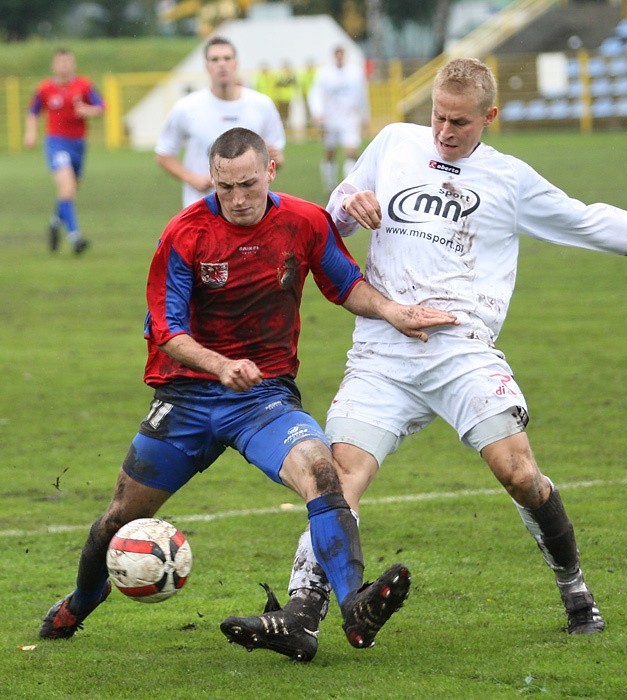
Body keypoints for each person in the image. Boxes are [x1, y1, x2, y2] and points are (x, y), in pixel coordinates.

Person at [230, 57, 627, 662]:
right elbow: (329, 217)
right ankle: (302, 617)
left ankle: (574, 589)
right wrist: (351, 206)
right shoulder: (393, 143)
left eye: (460, 123)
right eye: (438, 117)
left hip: (461, 350)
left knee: (518, 472)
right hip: (383, 348)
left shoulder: (509, 180)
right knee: (338, 480)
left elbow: (589, 221)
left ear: (489, 117)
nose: (444, 132)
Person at [38, 127, 458, 658]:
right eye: (224, 187)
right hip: (188, 399)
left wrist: (392, 311)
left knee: (322, 472)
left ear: (271, 171)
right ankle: (79, 601)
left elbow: (346, 284)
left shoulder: (305, 222)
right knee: (119, 517)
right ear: (212, 180)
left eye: (248, 185)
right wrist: (220, 365)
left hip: (264, 399)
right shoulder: (184, 234)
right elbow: (166, 331)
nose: (237, 199)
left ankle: (357, 604)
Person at [155, 37, 286, 209]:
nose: (221, 64)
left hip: (249, 209)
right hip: (202, 206)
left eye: (227, 58)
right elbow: (164, 154)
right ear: (207, 66)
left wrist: (275, 159)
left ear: (236, 63)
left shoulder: (262, 105)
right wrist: (191, 178)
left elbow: (276, 159)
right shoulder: (186, 107)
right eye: (215, 59)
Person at [24, 48, 104, 255]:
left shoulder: (84, 85)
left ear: (73, 64)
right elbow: (32, 112)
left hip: (78, 144)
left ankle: (53, 224)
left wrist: (88, 110)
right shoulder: (45, 88)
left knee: (68, 192)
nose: (64, 66)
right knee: (67, 188)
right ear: (53, 65)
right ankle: (75, 237)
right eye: (60, 62)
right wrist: (30, 133)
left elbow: (102, 107)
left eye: (68, 62)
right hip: (56, 143)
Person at [307, 46, 370, 192]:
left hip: (349, 117)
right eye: (337, 55)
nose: (340, 57)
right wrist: (317, 112)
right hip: (330, 119)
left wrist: (365, 115)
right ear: (334, 56)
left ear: (345, 55)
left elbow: (362, 94)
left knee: (351, 151)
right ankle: (330, 186)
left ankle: (348, 187)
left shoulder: (355, 72)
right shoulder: (324, 73)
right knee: (330, 152)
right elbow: (315, 93)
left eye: (342, 54)